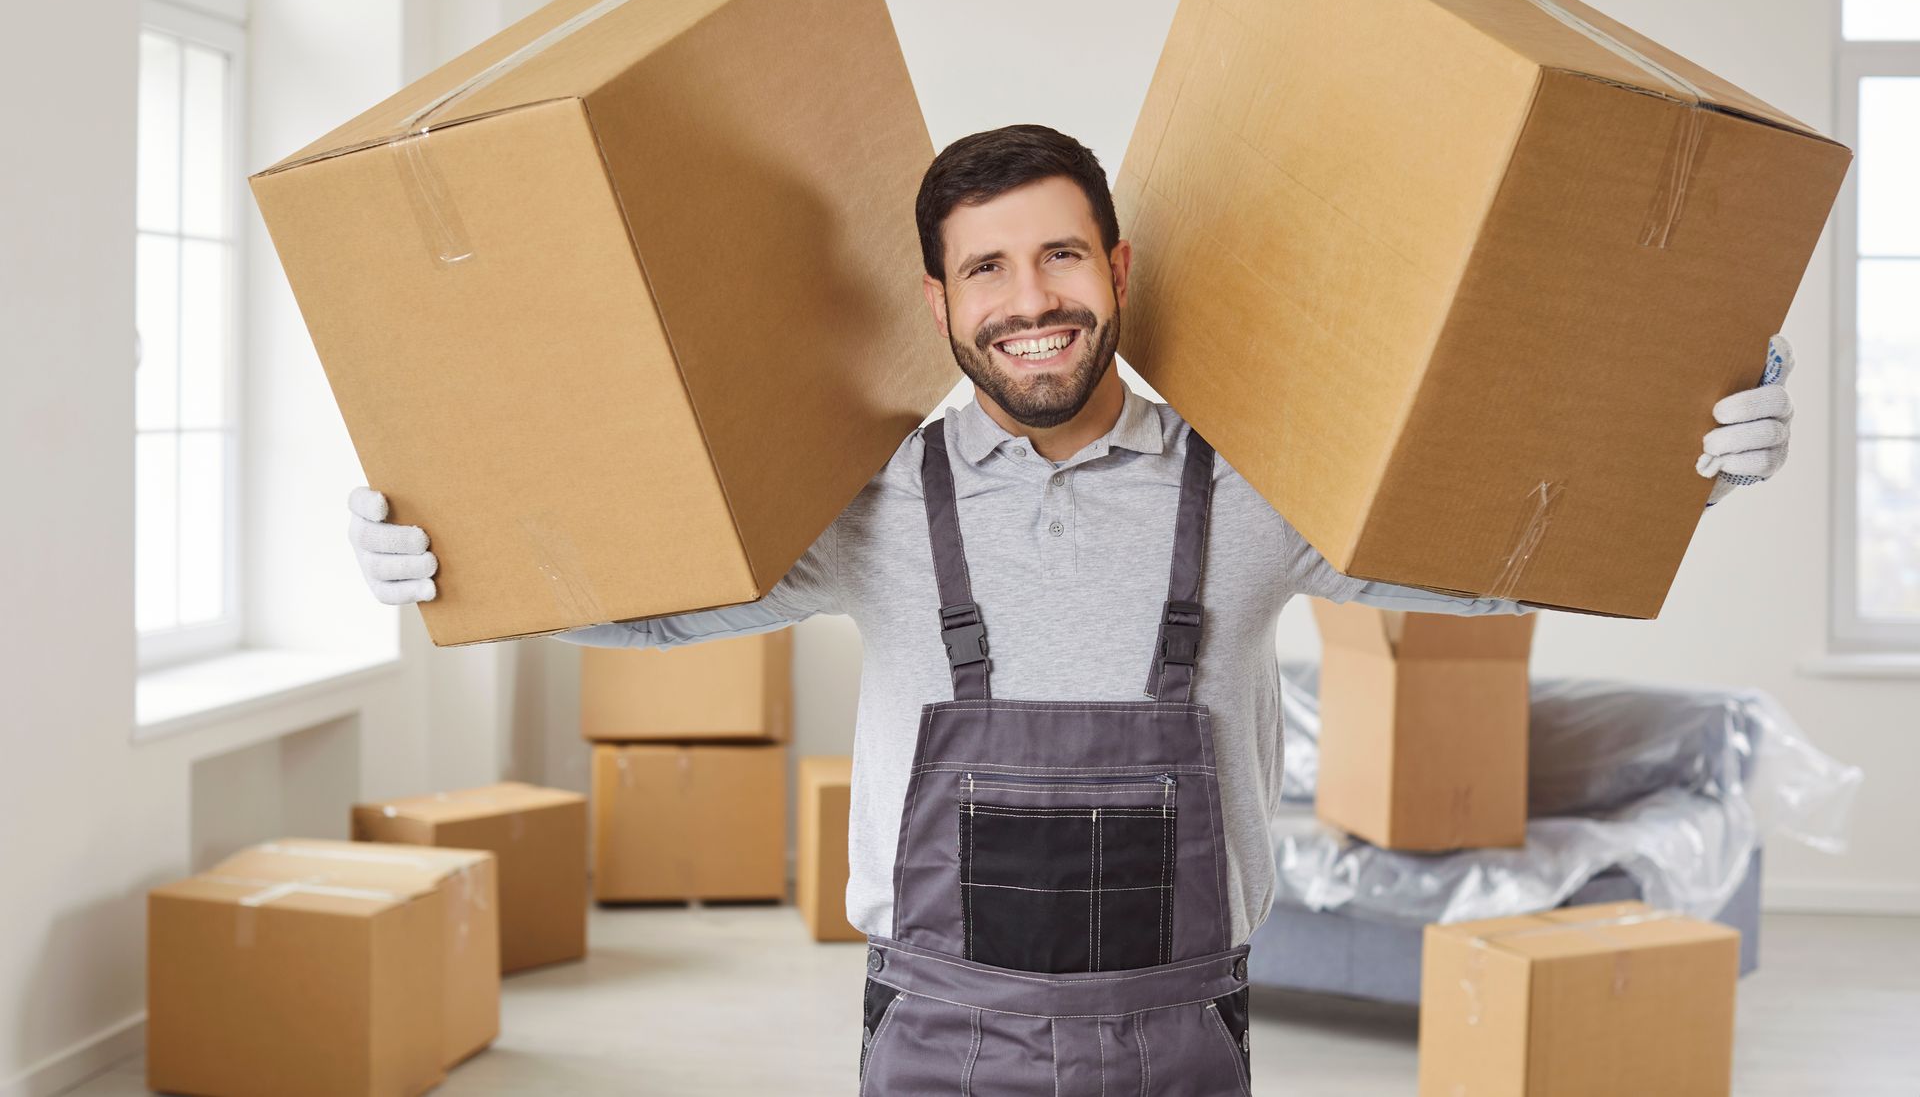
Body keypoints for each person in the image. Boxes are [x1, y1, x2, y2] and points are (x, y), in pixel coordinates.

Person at [345, 125, 1794, 1094]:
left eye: (1057, 254)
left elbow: (1491, 562)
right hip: (935, 1036)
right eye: (986, 266)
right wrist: (448, 558)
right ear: (939, 302)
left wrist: (1699, 467)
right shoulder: (868, 502)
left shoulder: (1257, 491)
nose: (1028, 297)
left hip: (1179, 1035)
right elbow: (659, 611)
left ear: (1116, 269)